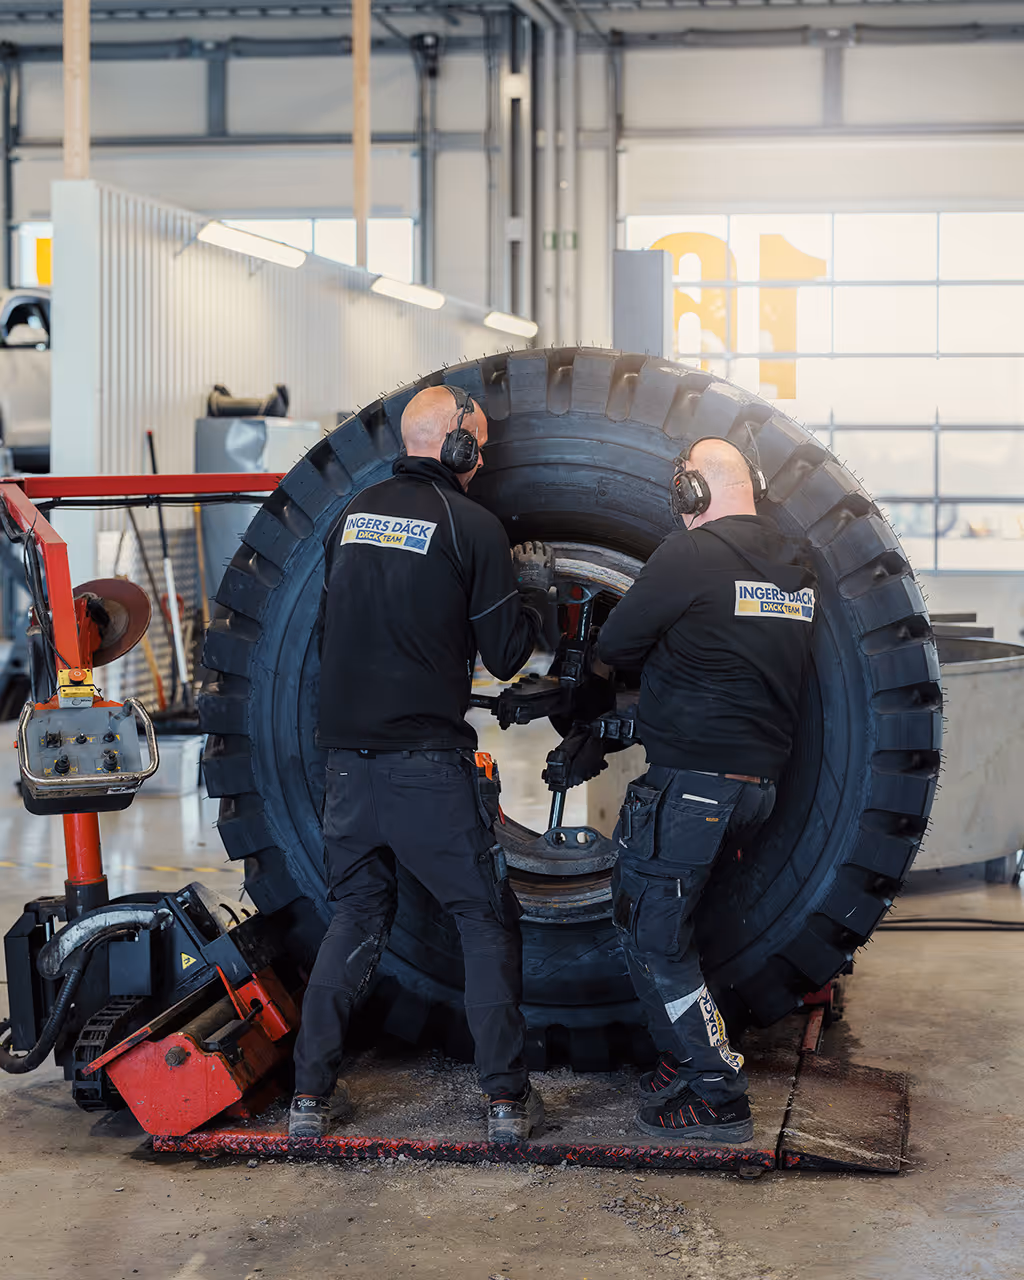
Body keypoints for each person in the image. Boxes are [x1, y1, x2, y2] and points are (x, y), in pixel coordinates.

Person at [289, 384, 557, 1142]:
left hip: (346, 768)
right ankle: (506, 1101)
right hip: (425, 769)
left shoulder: (350, 514)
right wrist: (531, 591)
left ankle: (308, 1099)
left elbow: (322, 631)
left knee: (357, 916)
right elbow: (506, 658)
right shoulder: (470, 524)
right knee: (484, 919)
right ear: (458, 445)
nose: (485, 460)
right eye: (482, 446)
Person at [597, 436, 817, 1144]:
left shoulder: (692, 554)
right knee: (659, 927)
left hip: (691, 791)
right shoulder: (796, 570)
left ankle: (717, 1090)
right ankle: (678, 1057)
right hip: (753, 790)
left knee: (655, 939)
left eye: (679, 487)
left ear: (694, 491)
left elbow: (617, 645)